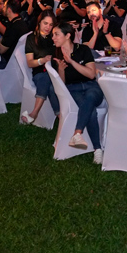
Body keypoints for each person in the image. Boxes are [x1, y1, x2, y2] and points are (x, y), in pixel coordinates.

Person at [50, 21, 104, 163]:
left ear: (68, 35)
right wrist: (61, 69)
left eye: (56, 34)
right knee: (91, 110)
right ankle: (97, 149)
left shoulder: (83, 49)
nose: (53, 38)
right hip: (73, 89)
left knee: (91, 96)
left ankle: (77, 133)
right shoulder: (56, 55)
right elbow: (61, 85)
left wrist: (72, 62)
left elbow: (91, 74)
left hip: (91, 86)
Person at [20, 10, 59, 125]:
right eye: (45, 23)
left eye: (51, 25)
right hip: (40, 72)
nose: (48, 27)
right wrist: (42, 60)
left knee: (51, 85)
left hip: (57, 72)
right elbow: (30, 63)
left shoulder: (54, 37)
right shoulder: (32, 38)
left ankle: (58, 116)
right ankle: (36, 113)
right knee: (46, 79)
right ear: (39, 22)